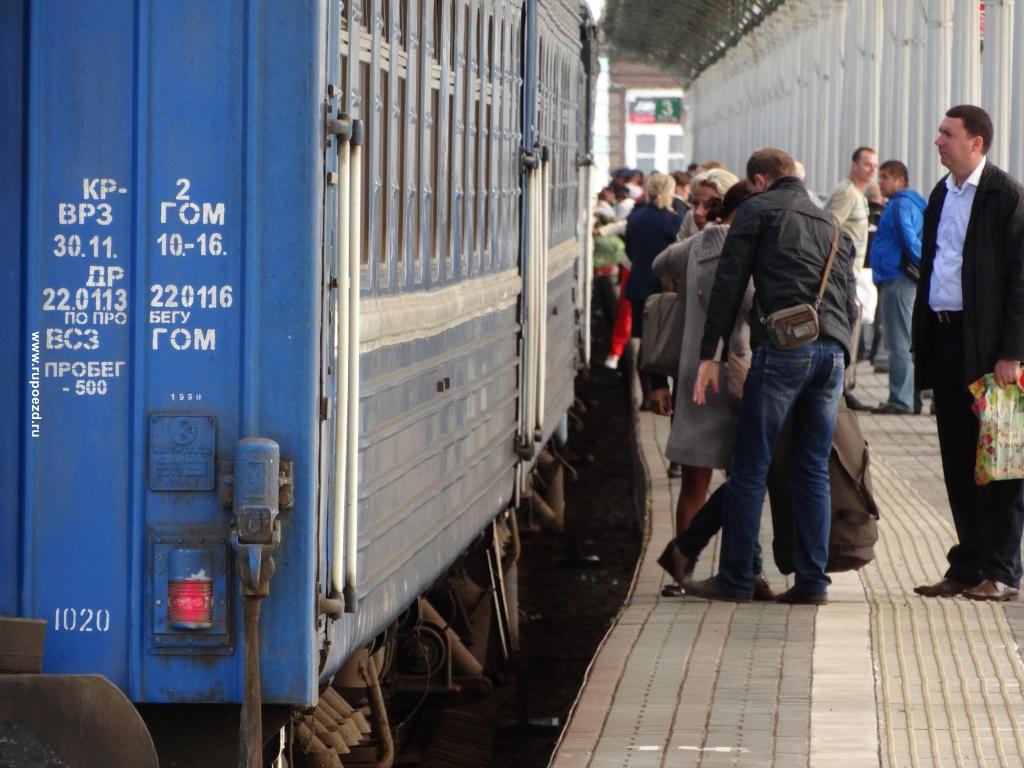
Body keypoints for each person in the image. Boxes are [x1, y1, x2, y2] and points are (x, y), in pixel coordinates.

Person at [684, 148, 856, 605]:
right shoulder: (830, 222)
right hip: (832, 354)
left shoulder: (758, 210)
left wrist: (709, 354)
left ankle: (737, 578)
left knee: (749, 467)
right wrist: (843, 359)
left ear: (759, 181)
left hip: (784, 350)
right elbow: (849, 298)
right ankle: (812, 583)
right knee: (812, 468)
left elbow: (730, 282)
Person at [912, 105, 1024, 602]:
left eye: (947, 134)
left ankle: (1001, 571)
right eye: (939, 132)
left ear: (976, 142)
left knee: (1000, 462)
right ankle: (967, 564)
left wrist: (1012, 353)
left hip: (990, 350)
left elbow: (1022, 283)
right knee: (958, 457)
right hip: (946, 340)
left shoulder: (1006, 196)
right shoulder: (941, 193)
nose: (938, 141)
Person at [648, 177, 776, 600]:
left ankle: (682, 575)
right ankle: (744, 569)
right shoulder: (745, 247)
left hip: (694, 376)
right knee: (745, 480)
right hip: (735, 374)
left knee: (696, 483)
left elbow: (657, 265)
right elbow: (751, 305)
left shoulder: (697, 244)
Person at [868, 160, 925, 414]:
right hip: (902, 280)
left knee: (898, 341)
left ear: (901, 180)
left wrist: (922, 264)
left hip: (897, 279)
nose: (880, 182)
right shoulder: (911, 203)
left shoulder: (900, 204)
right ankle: (911, 398)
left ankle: (900, 400)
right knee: (908, 340)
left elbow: (908, 237)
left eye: (885, 177)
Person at [825, 147, 878, 411]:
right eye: (867, 164)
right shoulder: (846, 193)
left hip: (853, 274)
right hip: (843, 276)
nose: (872, 170)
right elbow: (829, 227)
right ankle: (842, 388)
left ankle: (846, 387)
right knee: (849, 330)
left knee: (853, 330)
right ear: (854, 164)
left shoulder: (859, 194)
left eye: (874, 165)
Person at [623, 173, 684, 378]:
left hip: (639, 283)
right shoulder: (675, 221)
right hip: (664, 286)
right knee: (665, 337)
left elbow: (630, 251)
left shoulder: (634, 217)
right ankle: (660, 385)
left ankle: (646, 391)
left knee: (641, 336)